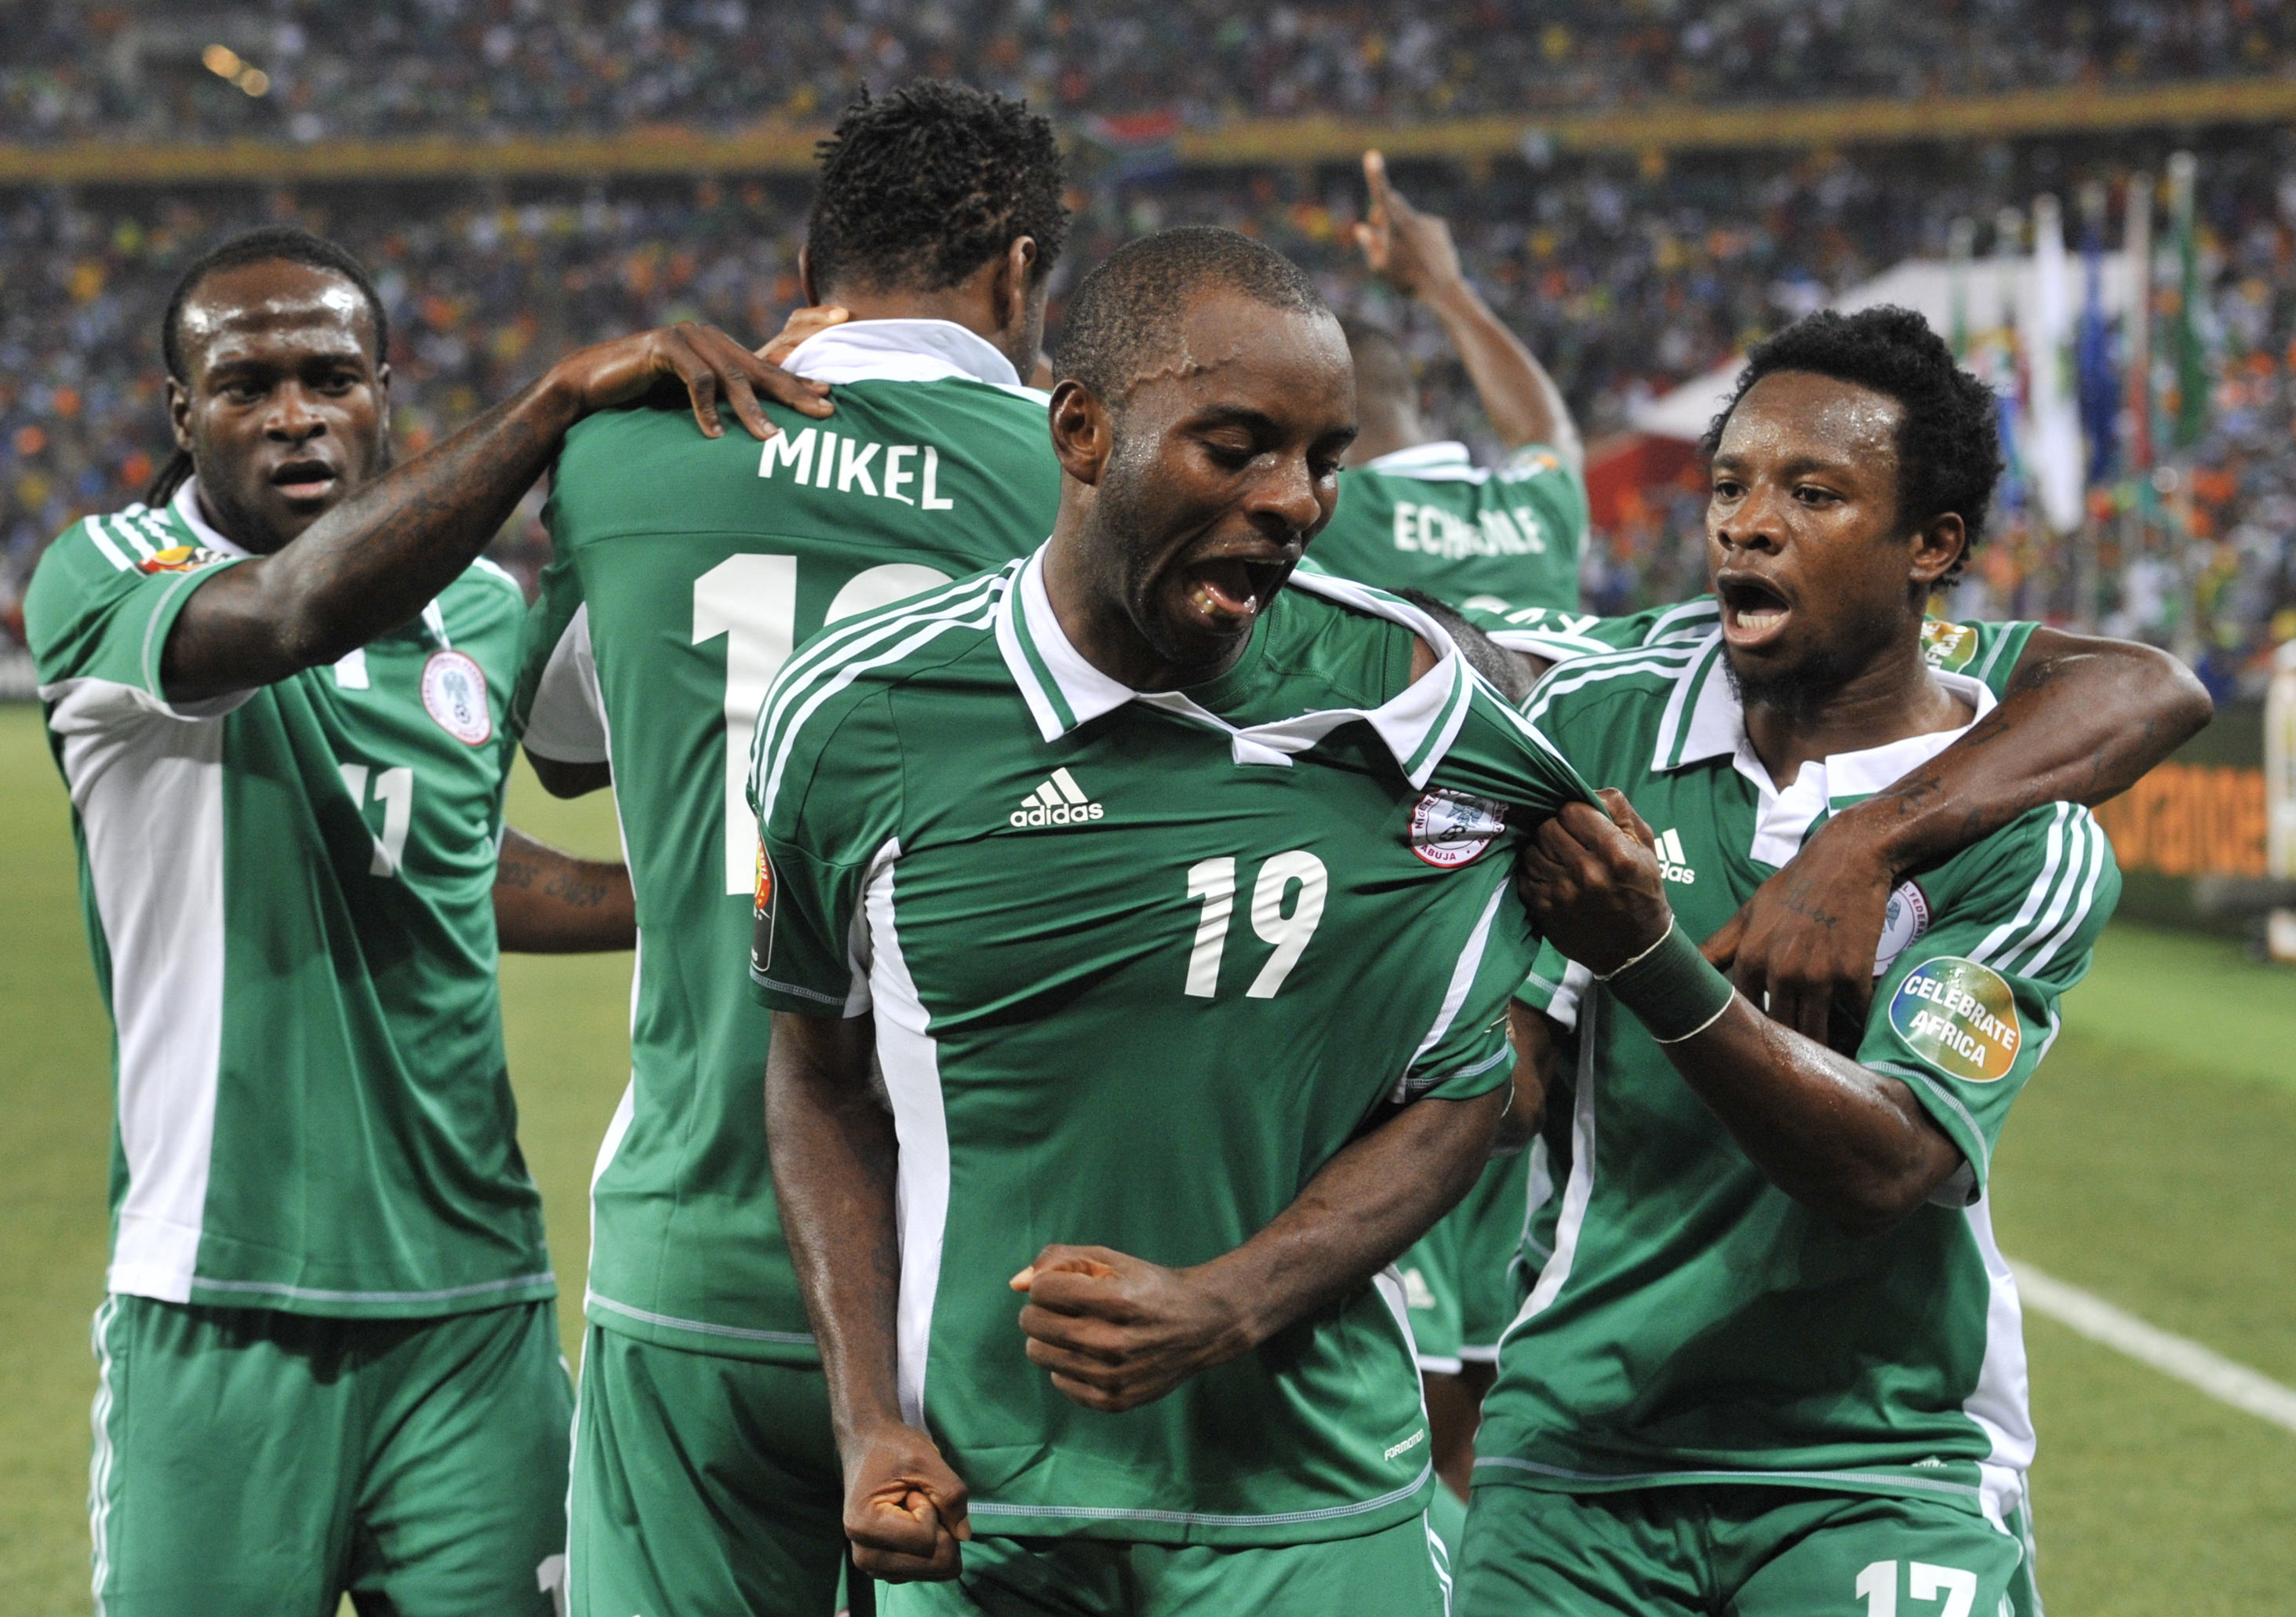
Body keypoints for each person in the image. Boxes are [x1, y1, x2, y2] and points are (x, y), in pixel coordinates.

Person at [755, 224, 1612, 1615]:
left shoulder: (1415, 699)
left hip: (1316, 1508)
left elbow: (1467, 1092)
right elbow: (815, 1074)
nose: (1296, 501)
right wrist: (867, 1422)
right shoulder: (862, 717)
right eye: (1236, 446)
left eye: (1325, 460)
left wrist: (1234, 1301)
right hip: (985, 1517)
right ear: (1083, 431)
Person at [23, 224, 818, 1617]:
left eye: (329, 378)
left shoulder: (477, 611)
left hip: (475, 1315)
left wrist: (715, 898)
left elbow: (457, 861)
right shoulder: (102, 577)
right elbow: (294, 607)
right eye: (245, 385)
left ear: (384, 388)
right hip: (219, 1303)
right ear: (180, 413)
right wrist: (554, 405)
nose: (291, 415)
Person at [1458, 307, 2163, 1616]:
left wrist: (1659, 954)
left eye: (1812, 491)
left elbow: (1884, 1164)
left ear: (1930, 547)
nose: (1744, 521)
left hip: (1876, 1460)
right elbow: (1513, 1083)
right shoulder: (1594, 723)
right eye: (1728, 485)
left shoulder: (2027, 835)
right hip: (1580, 1456)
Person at [511, 82, 1071, 1617]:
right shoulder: (1092, 484)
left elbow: (571, 747)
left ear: (807, 271)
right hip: (983, 1279)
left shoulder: (627, 458)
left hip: (693, 1237)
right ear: (1018, 275)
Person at [1306, 151, 1586, 621]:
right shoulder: (1538, 509)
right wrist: (1443, 285)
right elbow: (1550, 432)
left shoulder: (1322, 515)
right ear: (1415, 401)